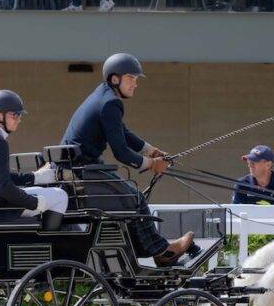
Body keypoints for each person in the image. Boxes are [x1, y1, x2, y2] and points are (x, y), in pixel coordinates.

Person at [62, 52, 194, 266]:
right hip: (83, 172)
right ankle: (162, 252)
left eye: (136, 79)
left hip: (78, 170)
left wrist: (150, 151)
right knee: (134, 198)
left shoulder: (103, 95)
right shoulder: (110, 103)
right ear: (115, 79)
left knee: (132, 198)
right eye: (131, 78)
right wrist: (152, 164)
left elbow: (122, 132)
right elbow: (121, 152)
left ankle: (153, 251)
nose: (135, 84)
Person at [0, 90, 68, 227]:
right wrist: (35, 203)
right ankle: (49, 238)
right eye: (14, 115)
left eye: (19, 115)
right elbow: (4, 188)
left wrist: (35, 177)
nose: (19, 119)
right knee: (60, 196)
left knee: (42, 192)